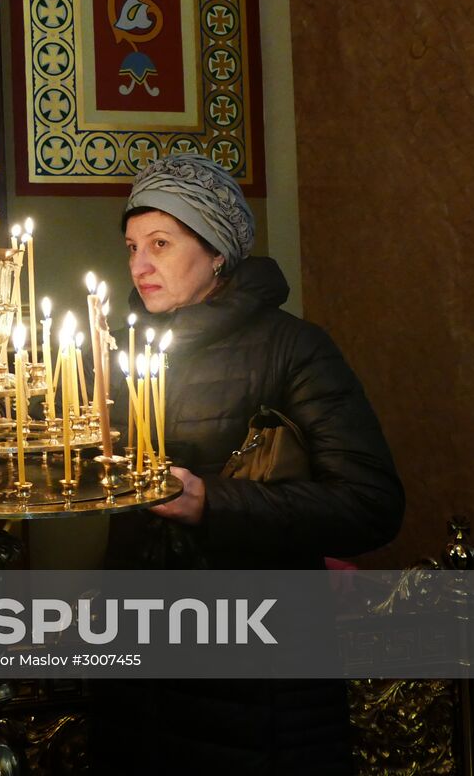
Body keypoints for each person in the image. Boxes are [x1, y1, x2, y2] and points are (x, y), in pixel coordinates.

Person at [94, 152, 405, 774]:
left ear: (216, 252)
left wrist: (212, 502)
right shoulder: (121, 351)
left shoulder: (294, 348)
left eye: (160, 243)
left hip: (259, 677)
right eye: (131, 247)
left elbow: (370, 505)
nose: (139, 265)